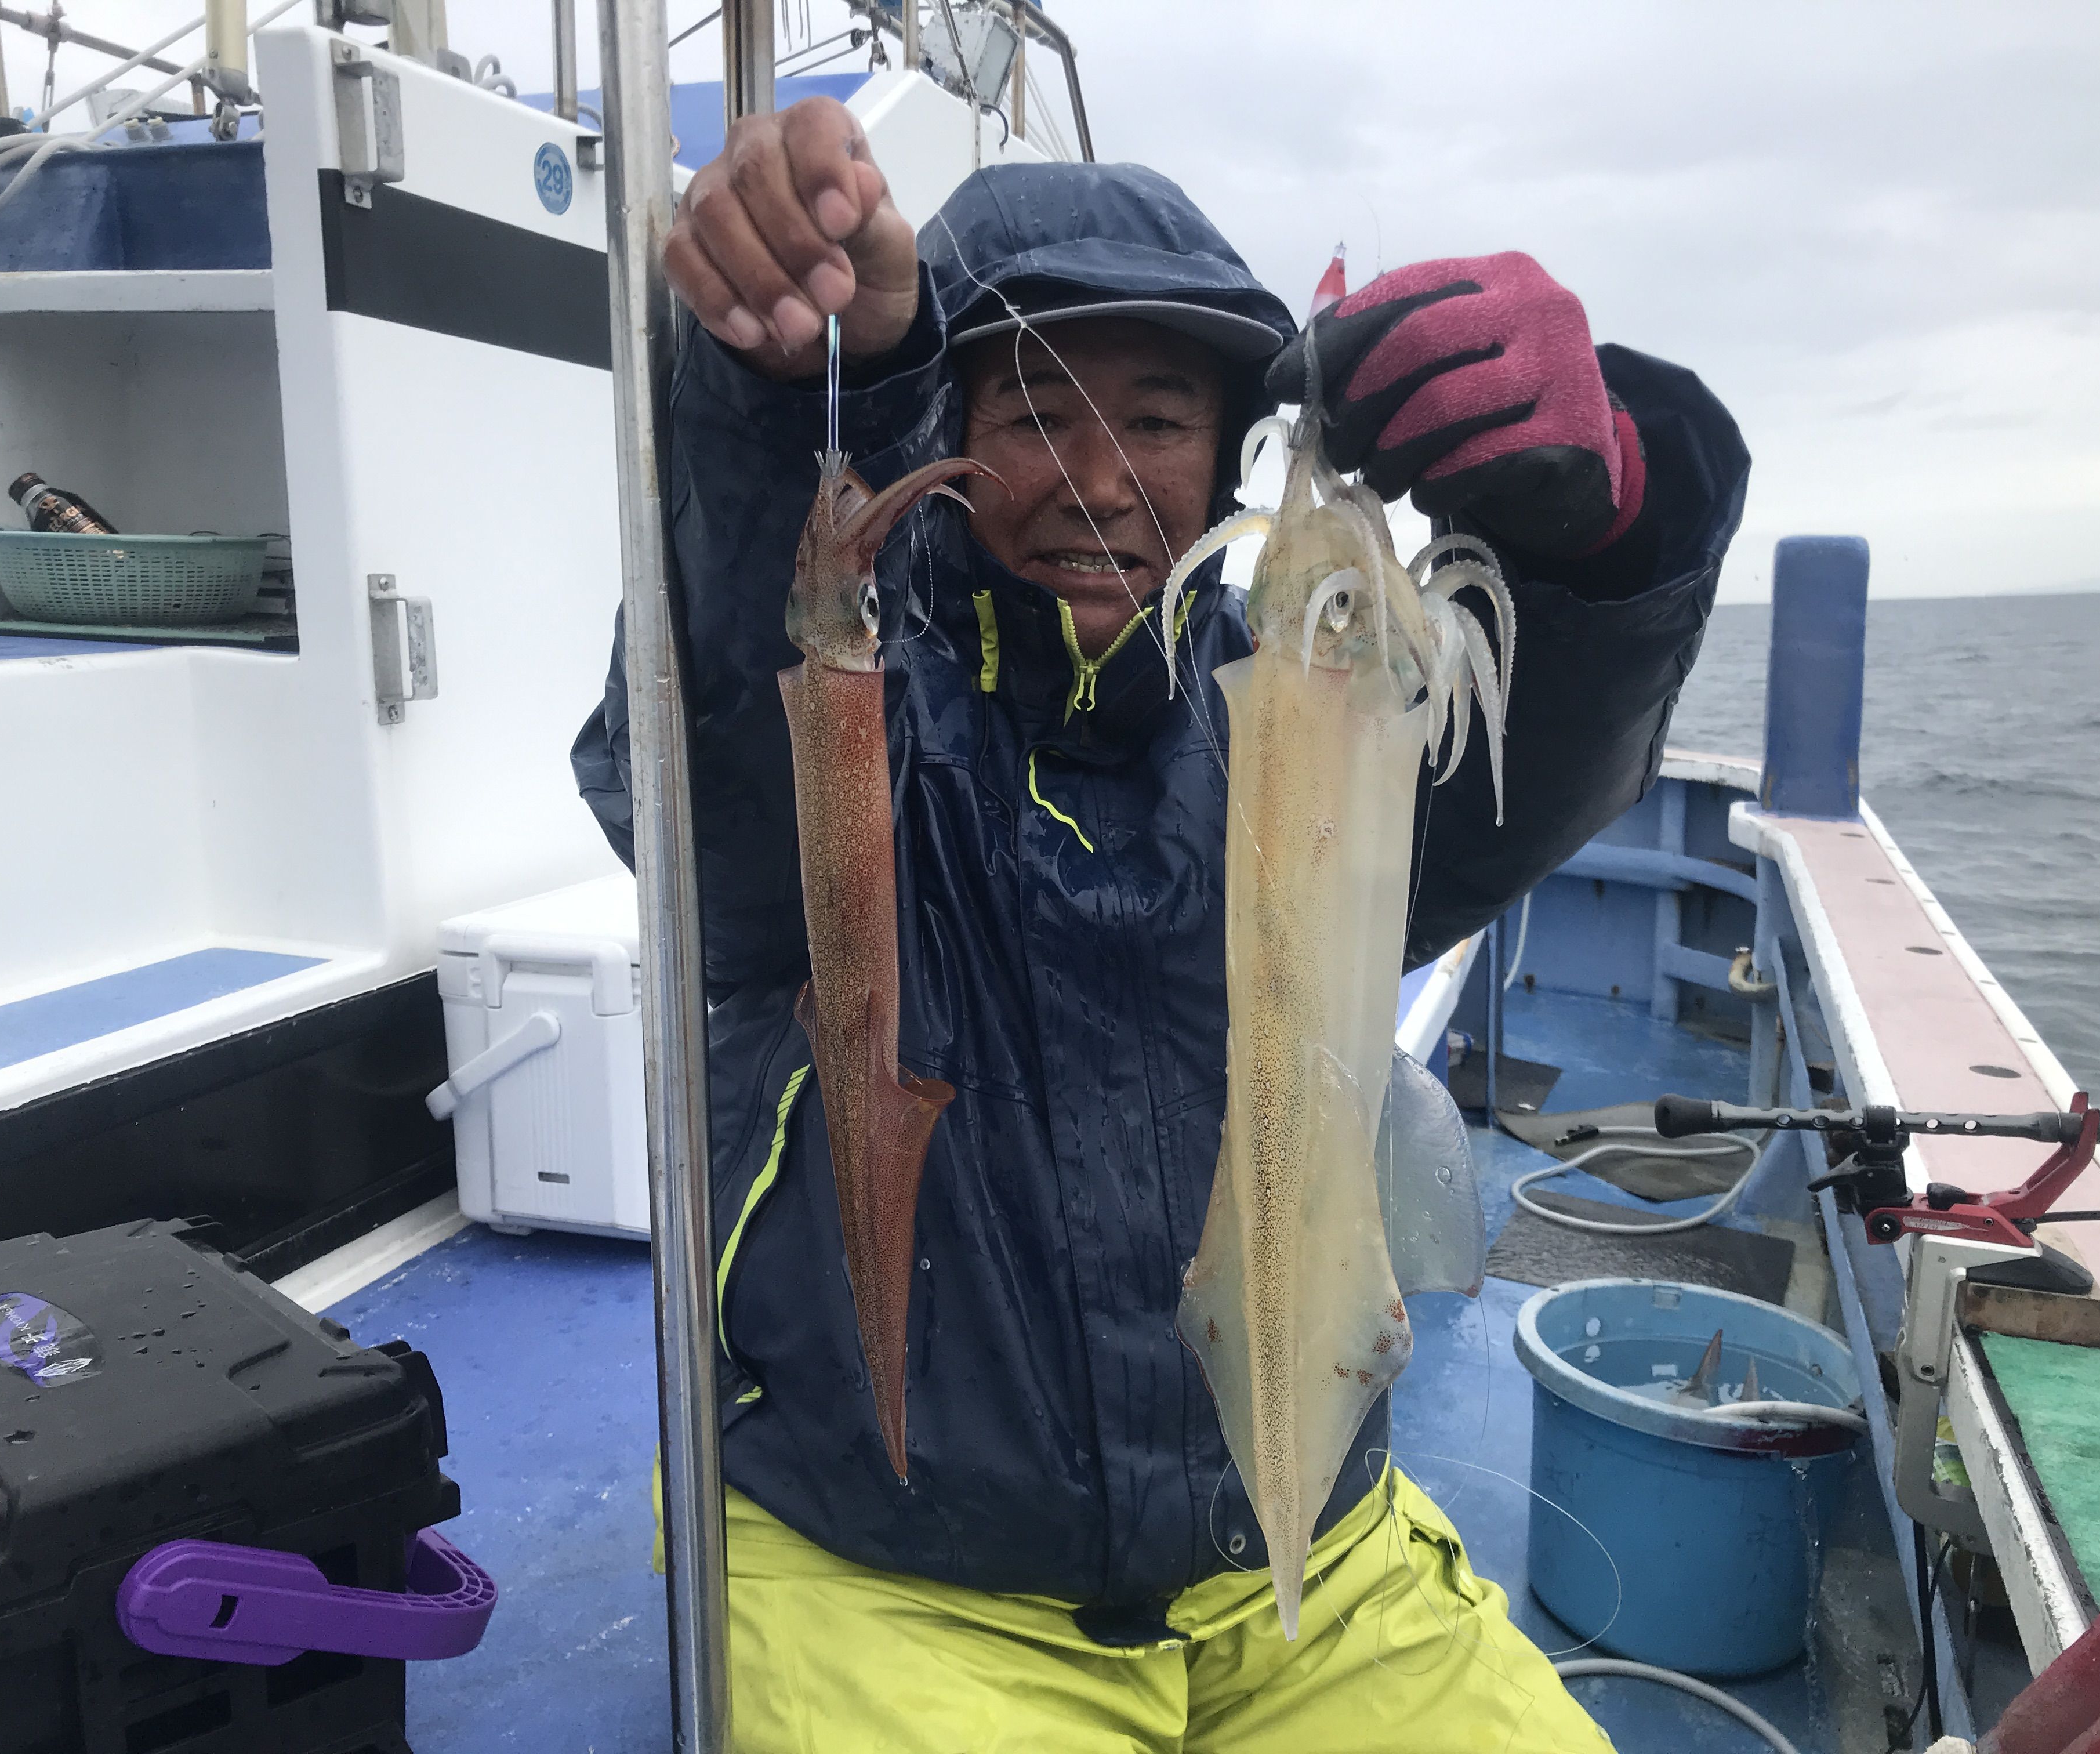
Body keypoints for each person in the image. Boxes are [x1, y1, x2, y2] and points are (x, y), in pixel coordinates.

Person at [572, 96, 1748, 1752]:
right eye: (1032, 413)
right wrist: (781, 407)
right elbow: (719, 737)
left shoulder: (1296, 717)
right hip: (892, 1569)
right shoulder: (850, 710)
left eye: (1160, 417)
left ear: (1225, 454)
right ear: (938, 424)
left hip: (1301, 1543)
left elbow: (1509, 793)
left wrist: (1611, 535)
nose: (1103, 480)